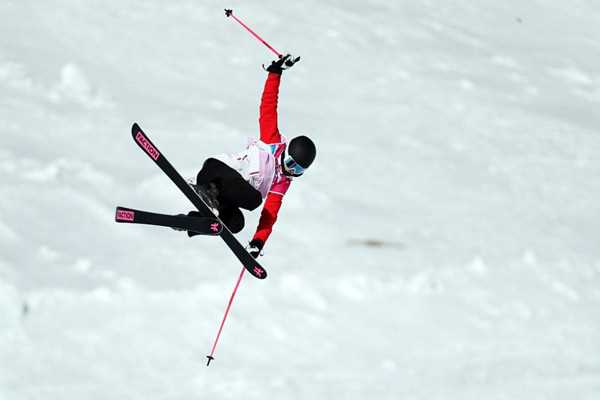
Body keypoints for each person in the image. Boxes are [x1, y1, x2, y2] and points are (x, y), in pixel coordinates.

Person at [188, 54, 316, 259]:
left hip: (223, 195)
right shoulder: (272, 141)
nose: (291, 170)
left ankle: (191, 222)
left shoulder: (282, 182)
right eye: (291, 163)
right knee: (255, 199)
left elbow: (270, 216)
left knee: (236, 223)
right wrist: (275, 73)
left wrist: (258, 242)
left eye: (298, 170)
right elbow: (268, 107)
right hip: (216, 172)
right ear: (287, 153)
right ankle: (203, 188)